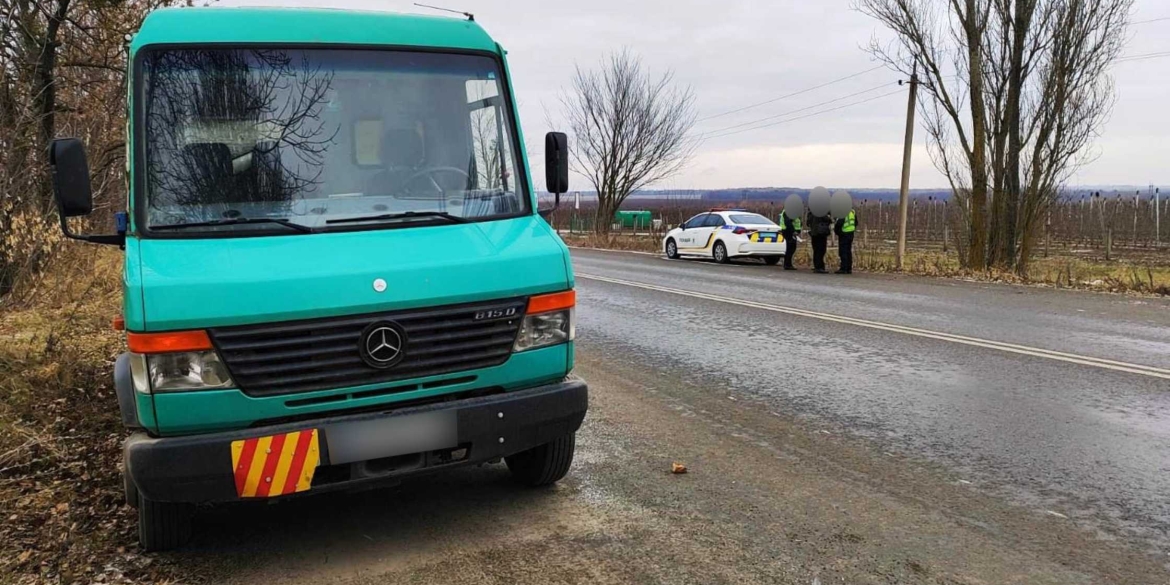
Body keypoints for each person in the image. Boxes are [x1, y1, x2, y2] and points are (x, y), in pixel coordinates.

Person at [834, 208, 857, 274]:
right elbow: (856, 222)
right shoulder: (852, 212)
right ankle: (849, 268)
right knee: (848, 251)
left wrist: (838, 232)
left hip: (844, 234)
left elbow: (839, 224)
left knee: (843, 252)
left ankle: (843, 268)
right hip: (851, 233)